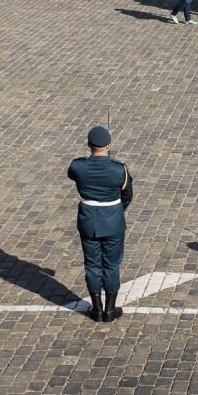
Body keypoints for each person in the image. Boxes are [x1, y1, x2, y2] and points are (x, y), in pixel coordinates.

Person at [67, 125, 134, 323]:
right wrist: (117, 211)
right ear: (109, 145)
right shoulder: (118, 169)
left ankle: (96, 309)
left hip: (88, 220)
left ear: (89, 145)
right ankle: (110, 310)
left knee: (92, 265)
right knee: (112, 264)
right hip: (113, 220)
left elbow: (73, 174)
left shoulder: (78, 166)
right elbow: (127, 195)